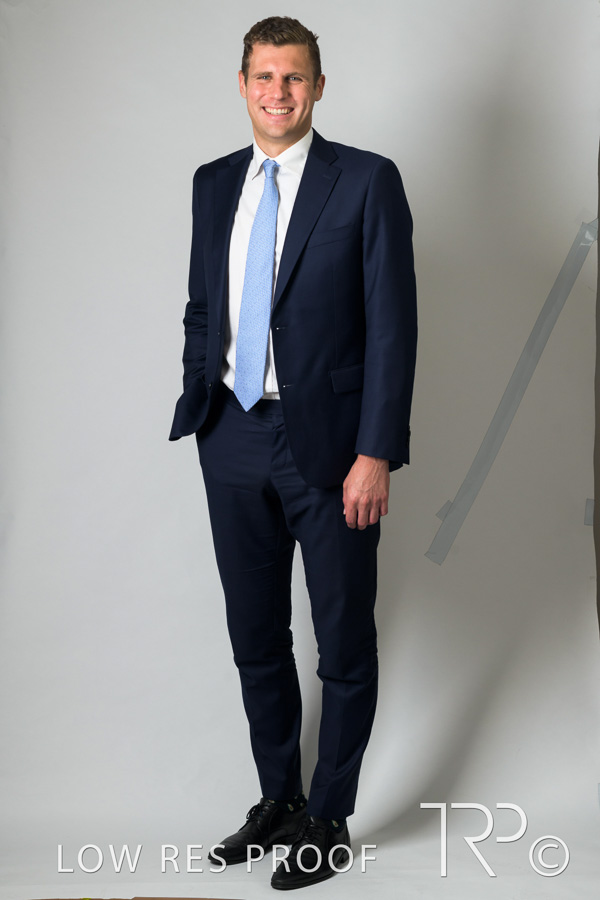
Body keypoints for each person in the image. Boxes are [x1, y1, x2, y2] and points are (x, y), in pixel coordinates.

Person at [170, 15, 417, 890]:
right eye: (264, 77)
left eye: (295, 77)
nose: (278, 92)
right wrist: (201, 397)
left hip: (334, 449)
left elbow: (392, 328)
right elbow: (204, 305)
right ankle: (278, 798)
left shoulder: (367, 181)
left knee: (343, 640)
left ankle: (329, 816)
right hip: (232, 435)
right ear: (242, 84)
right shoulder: (212, 183)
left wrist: (375, 451)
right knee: (256, 638)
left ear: (318, 86)